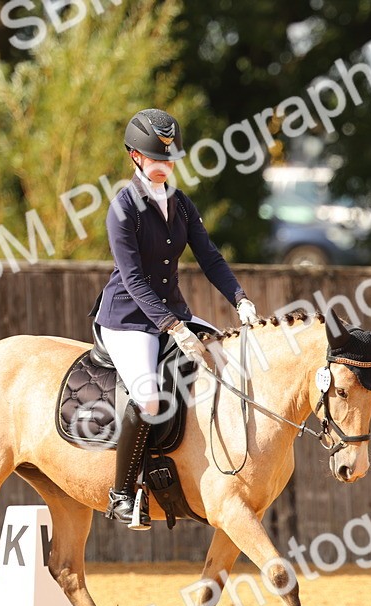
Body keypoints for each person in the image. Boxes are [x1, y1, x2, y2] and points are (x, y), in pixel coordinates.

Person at [93, 108, 260, 531]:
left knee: (227, 363)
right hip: (129, 320)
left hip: (173, 313)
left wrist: (239, 299)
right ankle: (121, 493)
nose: (165, 165)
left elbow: (210, 257)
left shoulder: (181, 204)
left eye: (169, 158)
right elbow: (131, 279)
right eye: (156, 158)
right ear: (135, 156)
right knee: (148, 399)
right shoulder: (123, 208)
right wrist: (172, 327)